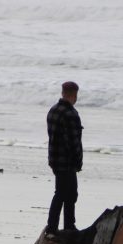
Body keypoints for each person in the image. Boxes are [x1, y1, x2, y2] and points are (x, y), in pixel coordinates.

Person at [46, 81, 83, 234]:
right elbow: (74, 142)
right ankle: (59, 226)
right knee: (67, 194)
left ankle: (62, 225)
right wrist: (78, 161)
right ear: (74, 95)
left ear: (62, 93)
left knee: (64, 193)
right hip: (67, 161)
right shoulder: (71, 114)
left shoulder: (53, 110)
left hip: (54, 159)